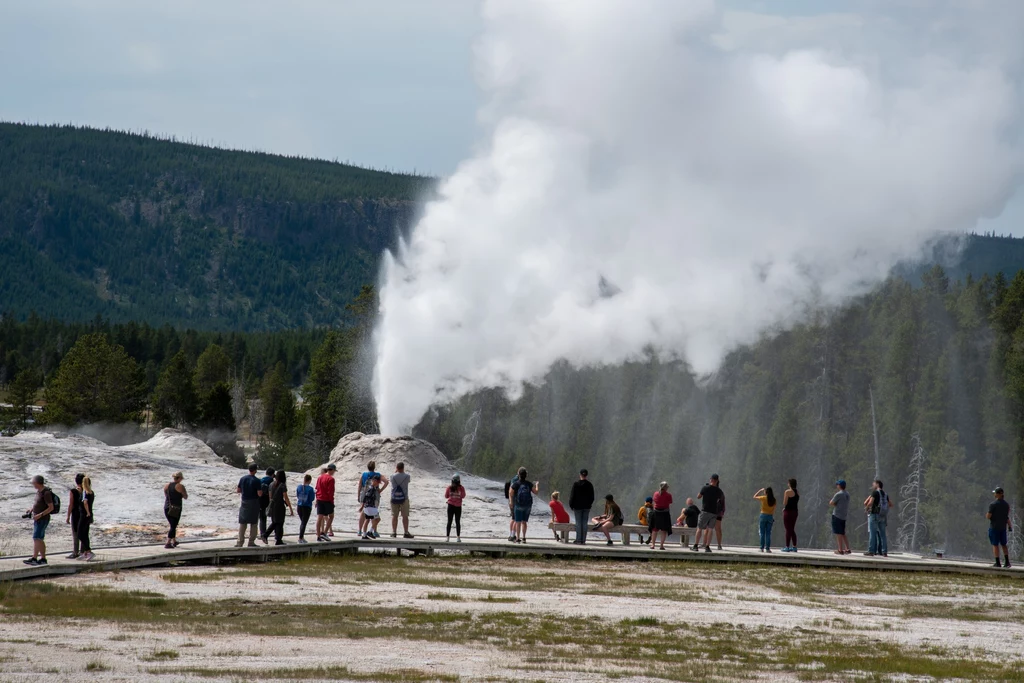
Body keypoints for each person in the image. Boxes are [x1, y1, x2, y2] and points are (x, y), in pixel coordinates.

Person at [23, 475, 56, 565]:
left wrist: (40, 515)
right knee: (37, 538)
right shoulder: (39, 492)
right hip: (37, 518)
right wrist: (31, 509)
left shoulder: (46, 493)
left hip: (43, 519)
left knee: (37, 538)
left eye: (33, 483)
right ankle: (35, 558)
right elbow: (37, 503)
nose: (33, 484)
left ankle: (42, 559)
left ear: (37, 483)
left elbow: (51, 508)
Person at [263, 470, 294, 545]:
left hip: (272, 505)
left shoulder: (271, 484)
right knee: (279, 522)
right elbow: (286, 497)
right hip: (279, 506)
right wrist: (290, 508)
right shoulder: (282, 485)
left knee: (275, 522)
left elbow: (270, 497)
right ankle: (268, 536)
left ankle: (277, 539)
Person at [236, 463, 263, 547]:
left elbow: (238, 490)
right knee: (254, 523)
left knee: (243, 522)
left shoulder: (242, 478)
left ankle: (240, 542)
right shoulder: (257, 480)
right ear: (255, 470)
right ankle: (251, 542)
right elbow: (259, 494)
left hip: (244, 502)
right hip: (253, 502)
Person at [509, 468, 539, 543]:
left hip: (518, 505)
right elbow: (536, 492)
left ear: (519, 475)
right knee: (524, 522)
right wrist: (537, 485)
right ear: (526, 475)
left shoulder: (516, 484)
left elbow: (511, 493)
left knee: (518, 522)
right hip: (527, 505)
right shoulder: (529, 483)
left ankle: (518, 538)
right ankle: (524, 538)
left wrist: (511, 502)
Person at [693, 474, 722, 553]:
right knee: (710, 529)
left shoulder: (705, 488)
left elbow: (698, 496)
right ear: (717, 481)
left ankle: (695, 545)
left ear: (711, 479)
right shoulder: (719, 490)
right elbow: (719, 499)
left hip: (705, 510)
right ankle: (707, 547)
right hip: (713, 512)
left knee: (699, 528)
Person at [987, 487, 1013, 568]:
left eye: (995, 493)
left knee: (995, 545)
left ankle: (997, 563)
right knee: (1004, 544)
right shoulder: (1006, 505)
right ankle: (1007, 562)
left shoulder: (993, 504)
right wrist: (1010, 526)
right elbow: (1006, 517)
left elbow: (988, 516)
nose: (994, 494)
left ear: (998, 494)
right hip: (1003, 528)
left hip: (994, 527)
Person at [568, 469, 595, 545]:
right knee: (584, 523)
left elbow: (572, 496)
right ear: (586, 475)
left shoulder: (576, 484)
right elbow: (592, 497)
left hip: (577, 507)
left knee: (578, 523)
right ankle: (583, 540)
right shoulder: (590, 485)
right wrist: (589, 504)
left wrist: (571, 505)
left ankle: (578, 540)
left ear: (580, 474)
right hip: (586, 507)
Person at [358, 473, 387, 539]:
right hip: (370, 507)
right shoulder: (372, 488)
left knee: (367, 520)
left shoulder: (372, 488)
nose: (378, 484)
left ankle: (364, 535)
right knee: (378, 519)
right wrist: (363, 506)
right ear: (374, 481)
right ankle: (370, 532)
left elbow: (365, 497)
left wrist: (363, 506)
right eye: (377, 482)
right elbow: (366, 497)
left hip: (368, 507)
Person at [863, 479, 888, 557]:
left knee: (873, 533)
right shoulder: (885, 494)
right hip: (883, 516)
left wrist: (866, 508)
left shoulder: (875, 492)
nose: (873, 485)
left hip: (874, 515)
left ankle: (871, 551)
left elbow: (870, 503)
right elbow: (890, 504)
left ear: (877, 484)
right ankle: (884, 551)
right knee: (883, 534)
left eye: (873, 484)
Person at [390, 462, 414, 539]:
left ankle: (394, 532)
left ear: (396, 467)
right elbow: (408, 481)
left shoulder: (392, 476)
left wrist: (395, 472)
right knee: (405, 516)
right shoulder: (407, 476)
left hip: (394, 498)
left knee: (394, 515)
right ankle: (406, 532)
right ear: (403, 468)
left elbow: (392, 480)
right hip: (404, 498)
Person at [164, 471, 187, 549]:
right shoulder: (180, 486)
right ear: (180, 478)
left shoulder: (167, 485)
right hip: (176, 508)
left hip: (167, 507)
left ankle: (174, 541)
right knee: (173, 526)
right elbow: (185, 496)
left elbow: (165, 494)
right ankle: (168, 543)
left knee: (172, 524)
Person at [315, 464, 336, 542]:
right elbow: (331, 492)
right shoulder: (331, 479)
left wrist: (317, 499)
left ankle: (318, 536)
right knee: (331, 516)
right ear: (332, 470)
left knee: (319, 518)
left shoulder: (320, 477)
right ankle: (325, 532)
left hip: (320, 499)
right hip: (327, 500)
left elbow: (316, 489)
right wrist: (332, 502)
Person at [829, 479, 851, 555]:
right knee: (843, 533)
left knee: (838, 533)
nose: (836, 486)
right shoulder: (847, 494)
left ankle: (840, 550)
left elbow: (831, 502)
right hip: (844, 515)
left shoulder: (839, 494)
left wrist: (836, 505)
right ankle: (847, 548)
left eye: (837, 484)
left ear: (839, 486)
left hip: (837, 515)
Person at [66, 473, 85, 559]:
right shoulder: (87, 490)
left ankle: (75, 552)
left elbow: (71, 504)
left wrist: (68, 516)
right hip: (84, 513)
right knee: (84, 532)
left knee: (75, 533)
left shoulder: (73, 491)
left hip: (76, 514)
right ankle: (83, 551)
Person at [77, 475, 95, 561]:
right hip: (89, 515)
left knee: (80, 534)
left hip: (84, 515)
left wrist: (87, 512)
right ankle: (85, 553)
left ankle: (88, 550)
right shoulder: (91, 492)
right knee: (85, 533)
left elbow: (85, 502)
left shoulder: (84, 492)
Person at [650, 482, 673, 550]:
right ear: (665, 488)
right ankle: (661, 545)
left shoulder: (656, 493)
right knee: (664, 530)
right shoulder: (668, 495)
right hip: (664, 513)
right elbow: (670, 502)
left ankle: (653, 544)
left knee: (655, 529)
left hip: (656, 512)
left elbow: (654, 500)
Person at [753, 486, 776, 553]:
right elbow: (774, 509)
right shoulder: (774, 500)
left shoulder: (763, 498)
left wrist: (760, 490)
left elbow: (754, 496)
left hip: (763, 515)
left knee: (762, 533)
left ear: (766, 492)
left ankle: (761, 548)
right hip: (770, 516)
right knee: (768, 533)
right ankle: (768, 548)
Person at [445, 474, 467, 542]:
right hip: (458, 507)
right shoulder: (461, 488)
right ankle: (458, 537)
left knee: (449, 521)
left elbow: (446, 496)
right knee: (457, 522)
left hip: (450, 506)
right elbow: (463, 496)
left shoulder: (449, 487)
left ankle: (447, 538)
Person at [295, 474, 315, 543]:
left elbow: (297, 495)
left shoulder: (299, 487)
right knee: (304, 523)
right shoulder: (310, 489)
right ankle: (300, 538)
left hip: (299, 506)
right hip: (307, 507)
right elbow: (312, 498)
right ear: (309, 480)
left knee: (302, 522)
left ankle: (302, 537)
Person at [781, 479, 799, 552]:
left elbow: (785, 503)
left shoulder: (787, 492)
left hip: (788, 512)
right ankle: (794, 546)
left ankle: (787, 546)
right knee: (792, 529)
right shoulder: (797, 492)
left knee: (788, 529)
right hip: (795, 512)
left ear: (790, 484)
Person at [258, 467, 275, 542]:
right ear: (273, 474)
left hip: (260, 501)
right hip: (268, 501)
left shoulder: (261, 480)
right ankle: (272, 533)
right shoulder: (271, 480)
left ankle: (262, 533)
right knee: (273, 518)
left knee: (262, 518)